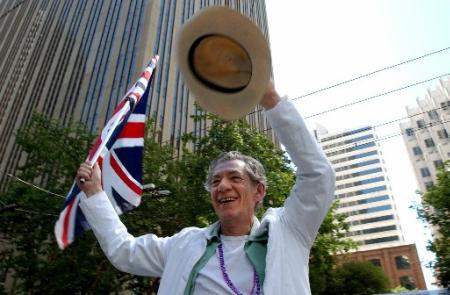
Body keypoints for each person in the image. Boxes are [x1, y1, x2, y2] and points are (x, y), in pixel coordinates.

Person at [76, 83, 335, 295]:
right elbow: (124, 252)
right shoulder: (184, 243)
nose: (222, 186)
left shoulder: (288, 232)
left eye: (235, 177)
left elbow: (318, 176)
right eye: (215, 181)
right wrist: (95, 194)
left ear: (259, 192)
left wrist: (269, 98)